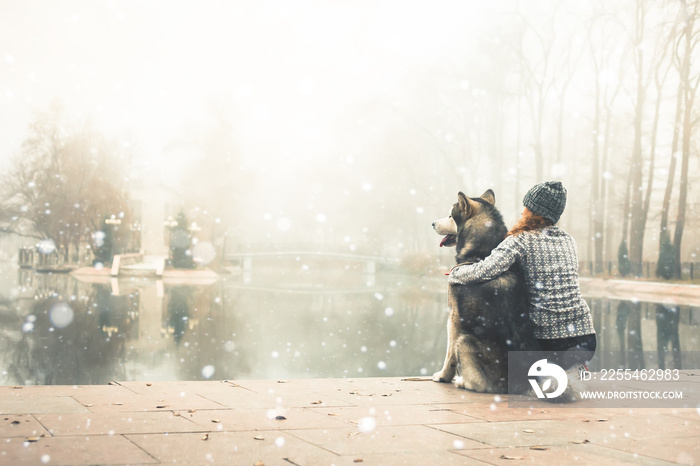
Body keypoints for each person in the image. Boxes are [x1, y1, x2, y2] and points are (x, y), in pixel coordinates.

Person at [449, 181, 596, 372]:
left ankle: (555, 370)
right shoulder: (569, 240)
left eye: (527, 205)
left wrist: (456, 273)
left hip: (548, 341)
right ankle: (575, 366)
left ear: (534, 210)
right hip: (586, 338)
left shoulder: (520, 240)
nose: (522, 209)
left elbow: (484, 270)